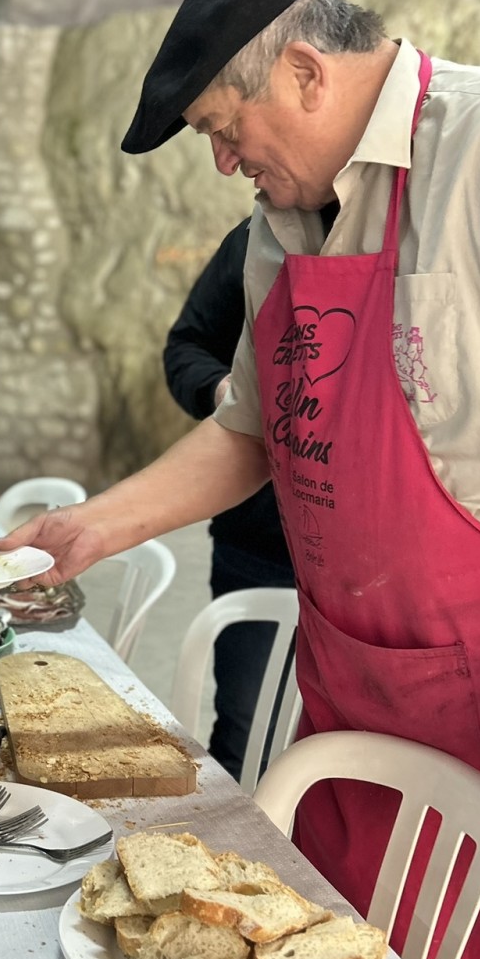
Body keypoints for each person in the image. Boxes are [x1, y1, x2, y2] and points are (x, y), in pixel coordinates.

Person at [0, 0, 480, 959]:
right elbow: (251, 424)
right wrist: (95, 526)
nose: (220, 164)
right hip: (354, 713)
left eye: (219, 130)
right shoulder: (282, 224)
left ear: (304, 70)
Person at [163, 218, 295, 782]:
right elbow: (185, 348)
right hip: (258, 550)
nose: (228, 161)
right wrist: (227, 393)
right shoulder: (254, 240)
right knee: (245, 741)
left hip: (383, 574)